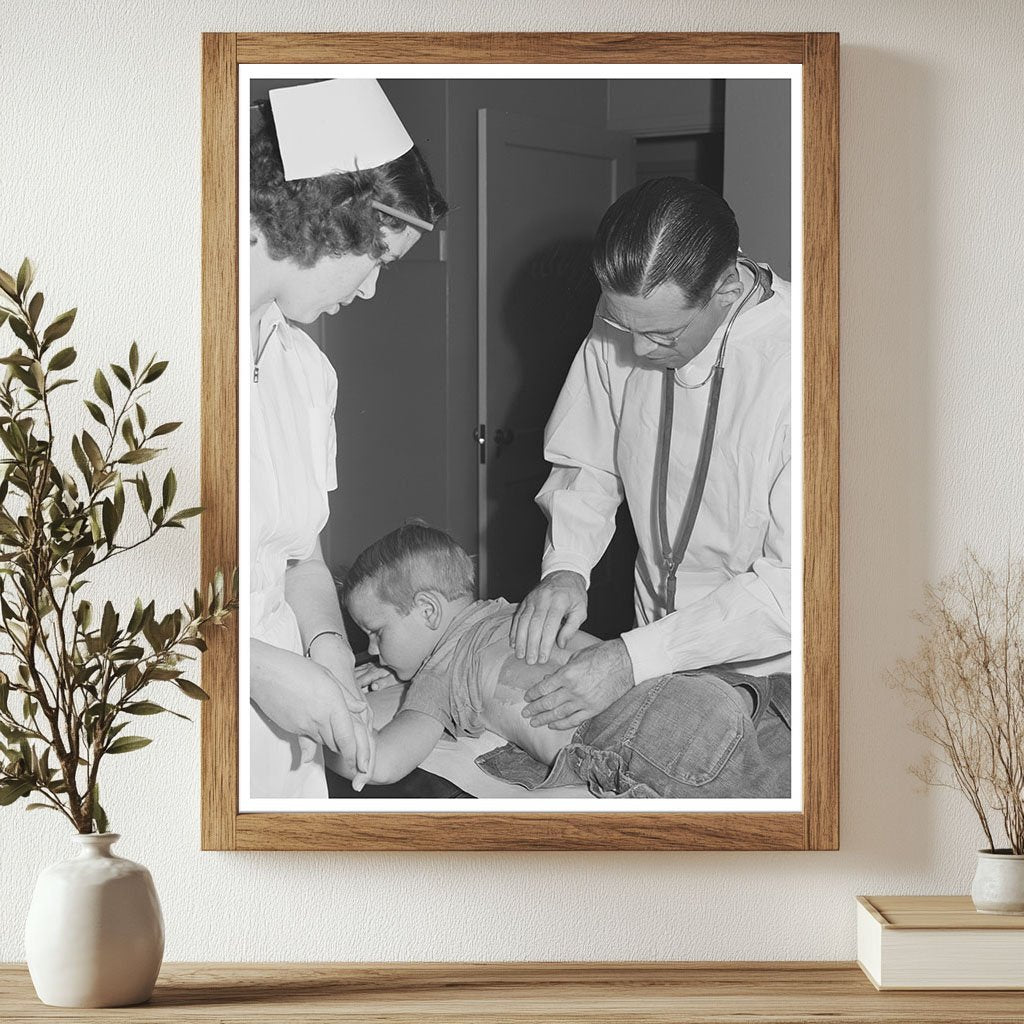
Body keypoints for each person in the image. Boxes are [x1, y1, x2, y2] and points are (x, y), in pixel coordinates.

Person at [511, 177, 792, 732]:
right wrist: (567, 565)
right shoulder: (636, 312)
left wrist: (631, 658)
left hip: (767, 671)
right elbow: (586, 457)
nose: (636, 350)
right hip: (651, 648)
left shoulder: (803, 368)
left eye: (663, 334)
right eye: (620, 325)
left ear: (728, 289)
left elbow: (791, 590)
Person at [248, 79, 448, 798]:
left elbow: (302, 558)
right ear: (325, 218)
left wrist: (329, 651)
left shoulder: (308, 374)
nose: (368, 293)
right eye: (380, 261)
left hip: (289, 730)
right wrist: (258, 670)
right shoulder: (155, 352)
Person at [328, 523, 790, 798]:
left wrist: (317, 730)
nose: (370, 648)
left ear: (428, 610)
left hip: (643, 736)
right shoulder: (506, 612)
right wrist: (394, 667)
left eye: (376, 632)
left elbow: (382, 762)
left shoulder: (439, 672)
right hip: (695, 686)